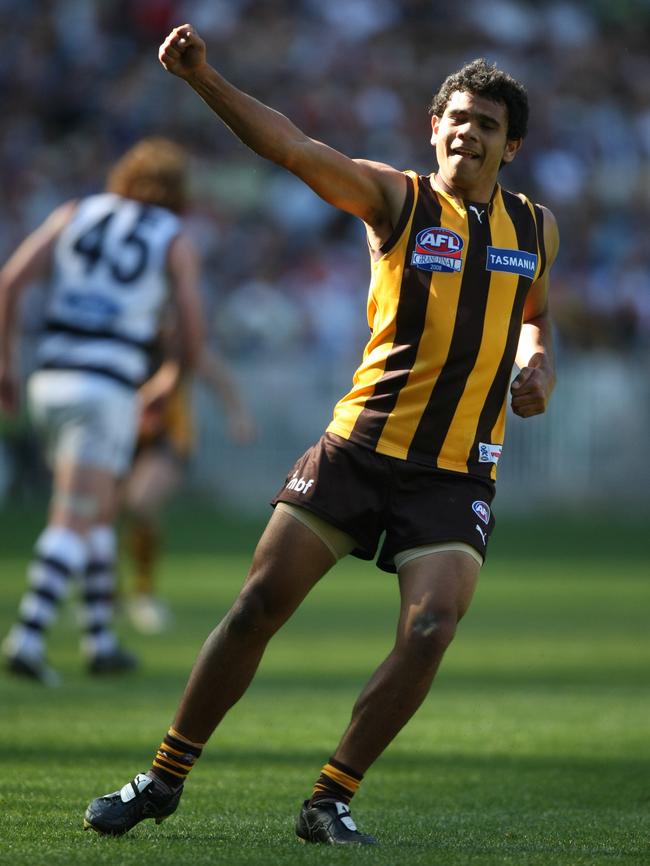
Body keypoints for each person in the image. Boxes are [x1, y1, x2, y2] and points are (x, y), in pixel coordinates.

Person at [84, 25, 558, 844]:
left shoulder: (537, 230)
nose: (466, 132)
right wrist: (204, 78)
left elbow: (536, 317)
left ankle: (329, 798)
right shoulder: (396, 199)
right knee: (258, 605)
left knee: (432, 628)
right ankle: (162, 777)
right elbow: (293, 147)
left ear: (509, 145)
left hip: (456, 473)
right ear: (433, 126)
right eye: (456, 116)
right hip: (359, 447)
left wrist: (540, 361)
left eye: (485, 123)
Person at [0, 137, 204, 685]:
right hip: (106, 386)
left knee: (93, 512)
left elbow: (10, 282)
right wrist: (170, 379)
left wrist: (4, 366)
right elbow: (192, 329)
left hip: (50, 376)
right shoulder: (172, 238)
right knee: (73, 515)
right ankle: (28, 635)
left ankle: (100, 640)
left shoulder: (75, 213)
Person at [121, 341, 256, 634]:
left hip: (168, 438)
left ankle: (144, 594)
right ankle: (103, 596)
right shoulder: (118, 334)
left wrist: (237, 414)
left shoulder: (175, 340)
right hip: (121, 433)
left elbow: (213, 371)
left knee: (142, 504)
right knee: (103, 514)